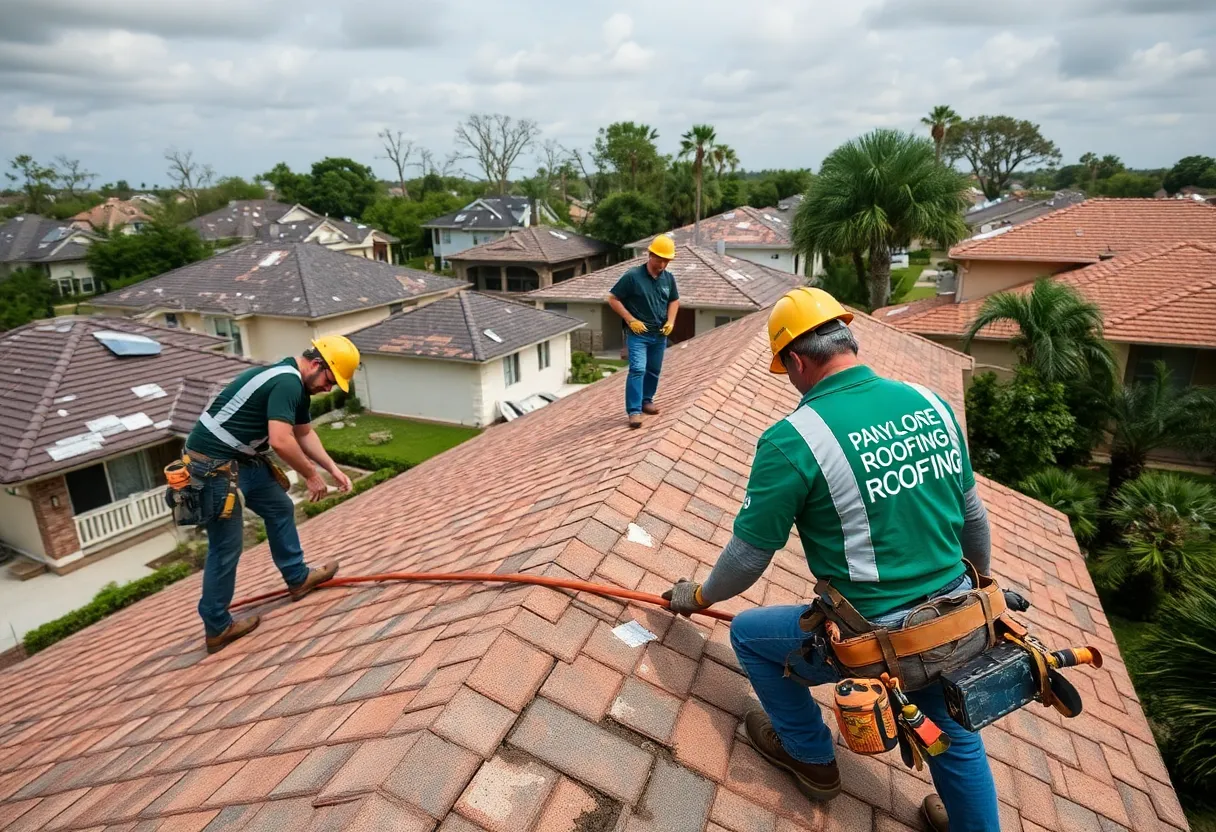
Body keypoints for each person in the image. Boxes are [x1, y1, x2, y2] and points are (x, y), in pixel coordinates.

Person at [663, 288, 999, 831]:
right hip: (960, 618)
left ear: (796, 360)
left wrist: (699, 597)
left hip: (877, 640)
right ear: (848, 338)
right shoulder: (931, 403)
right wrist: (977, 588)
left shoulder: (792, 440)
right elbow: (974, 521)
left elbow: (748, 558)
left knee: (750, 636)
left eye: (786, 370)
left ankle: (811, 759)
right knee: (950, 731)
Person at [185, 335, 361, 654]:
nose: (329, 389)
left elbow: (304, 434)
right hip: (210, 467)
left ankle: (297, 577)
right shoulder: (287, 383)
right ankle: (217, 627)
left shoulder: (297, 387)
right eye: (330, 380)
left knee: (279, 507)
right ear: (317, 364)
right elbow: (281, 441)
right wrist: (311, 476)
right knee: (226, 546)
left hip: (243, 461)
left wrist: (332, 470)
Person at [607, 234, 680, 429]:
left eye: (666, 260)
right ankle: (634, 411)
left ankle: (647, 400)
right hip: (638, 334)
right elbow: (613, 298)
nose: (662, 264)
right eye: (659, 259)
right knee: (638, 369)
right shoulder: (633, 277)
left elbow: (674, 300)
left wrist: (671, 321)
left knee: (654, 370)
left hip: (659, 334)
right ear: (650, 254)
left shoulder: (668, 278)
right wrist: (631, 320)